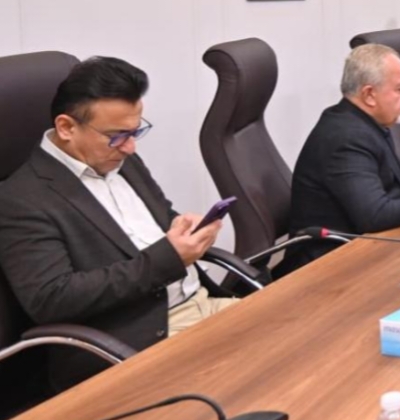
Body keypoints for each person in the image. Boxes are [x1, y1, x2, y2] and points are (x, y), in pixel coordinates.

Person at [0, 57, 234, 388]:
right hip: (134, 340)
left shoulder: (121, 159)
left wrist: (183, 228)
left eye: (135, 131)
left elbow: (160, 219)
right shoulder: (22, 198)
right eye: (117, 135)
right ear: (66, 128)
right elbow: (52, 299)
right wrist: (169, 258)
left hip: (201, 303)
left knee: (300, 332)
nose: (130, 147)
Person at [285, 44, 400, 273]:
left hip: (367, 246)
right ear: (369, 95)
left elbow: (397, 170)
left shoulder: (362, 121)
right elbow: (375, 215)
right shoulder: (346, 137)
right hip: (329, 264)